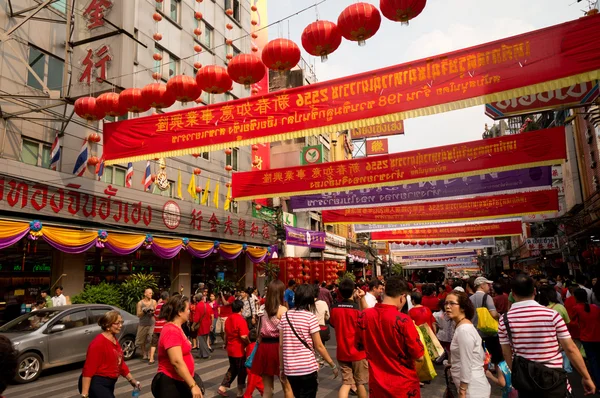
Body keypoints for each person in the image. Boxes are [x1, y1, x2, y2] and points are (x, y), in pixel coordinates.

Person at [499, 274, 596, 396]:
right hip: (553, 378)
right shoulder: (552, 315)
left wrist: (517, 374)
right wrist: (586, 376)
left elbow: (506, 352)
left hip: (525, 382)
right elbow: (570, 348)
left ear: (512, 294)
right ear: (534, 291)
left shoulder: (504, 320)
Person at [357, 276, 424, 398]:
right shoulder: (404, 321)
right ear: (402, 297)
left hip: (377, 385)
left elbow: (359, 343)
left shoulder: (365, 316)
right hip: (403, 386)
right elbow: (419, 356)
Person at [279, 284, 339, 398]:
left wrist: (281, 368)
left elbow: (281, 345)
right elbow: (319, 346)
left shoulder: (285, 316)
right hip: (307, 368)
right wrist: (332, 365)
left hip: (290, 368)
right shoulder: (310, 317)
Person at [151, 295, 202, 398]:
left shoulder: (177, 328)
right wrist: (193, 385)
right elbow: (176, 362)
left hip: (180, 380)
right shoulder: (171, 331)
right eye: (187, 309)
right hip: (171, 383)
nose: (189, 312)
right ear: (179, 312)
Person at [80, 310, 140, 398]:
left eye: (121, 322)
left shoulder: (114, 339)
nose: (120, 325)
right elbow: (88, 369)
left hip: (109, 384)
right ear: (108, 326)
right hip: (98, 383)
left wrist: (132, 380)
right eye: (117, 323)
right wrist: (84, 395)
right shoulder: (98, 343)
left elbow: (120, 363)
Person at [251, 280, 293, 398]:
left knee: (267, 388)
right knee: (286, 386)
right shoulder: (283, 310)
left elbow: (259, 331)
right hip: (278, 347)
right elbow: (287, 333)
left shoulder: (263, 309)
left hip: (264, 347)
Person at [445, 291, 491, 397]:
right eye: (446, 303)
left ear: (462, 307)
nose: (447, 307)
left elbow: (466, 362)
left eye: (452, 303)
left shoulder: (464, 329)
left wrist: (462, 390)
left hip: (472, 388)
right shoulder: (461, 326)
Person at [330, 278, 368, 398]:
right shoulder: (357, 310)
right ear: (354, 291)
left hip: (342, 351)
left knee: (346, 383)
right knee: (360, 383)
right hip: (358, 352)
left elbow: (333, 323)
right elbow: (367, 318)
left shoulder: (334, 309)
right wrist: (362, 298)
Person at [218, 300, 249, 397]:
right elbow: (244, 336)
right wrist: (249, 344)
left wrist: (225, 343)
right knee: (241, 370)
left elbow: (226, 334)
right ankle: (240, 391)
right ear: (241, 309)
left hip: (230, 348)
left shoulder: (228, 319)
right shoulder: (240, 320)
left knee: (233, 368)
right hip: (239, 349)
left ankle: (223, 386)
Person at [571, 288, 600, 389]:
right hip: (598, 337)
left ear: (576, 297)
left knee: (593, 361)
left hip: (586, 338)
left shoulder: (576, 308)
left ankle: (598, 383)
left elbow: (572, 321)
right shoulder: (595, 307)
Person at [469, 277, 502, 365]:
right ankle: (498, 376)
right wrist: (500, 315)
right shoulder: (487, 297)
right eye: (487, 284)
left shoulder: (470, 298)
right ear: (482, 285)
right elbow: (494, 314)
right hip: (489, 332)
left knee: (481, 357)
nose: (489, 286)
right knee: (497, 358)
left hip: (476, 332)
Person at [149, 291, 170, 365]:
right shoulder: (167, 305)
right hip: (164, 326)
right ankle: (166, 357)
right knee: (166, 342)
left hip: (157, 327)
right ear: (167, 297)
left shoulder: (158, 306)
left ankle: (151, 358)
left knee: (154, 343)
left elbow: (155, 315)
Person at [136, 288, 157, 361]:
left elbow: (156, 311)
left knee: (151, 338)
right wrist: (144, 311)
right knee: (142, 340)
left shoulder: (154, 302)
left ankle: (149, 352)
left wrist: (152, 311)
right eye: (149, 293)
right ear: (145, 294)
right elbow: (138, 314)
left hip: (151, 323)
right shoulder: (140, 303)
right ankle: (144, 353)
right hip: (143, 323)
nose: (151, 294)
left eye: (151, 293)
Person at [243, 329, 265, 398]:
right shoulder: (257, 346)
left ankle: (264, 393)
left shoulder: (248, 346)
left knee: (256, 382)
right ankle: (247, 396)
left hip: (249, 368)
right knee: (252, 384)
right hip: (254, 368)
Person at [192, 293, 212, 360]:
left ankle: (206, 354)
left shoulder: (198, 306)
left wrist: (193, 325)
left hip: (202, 324)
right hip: (207, 323)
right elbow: (211, 314)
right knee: (204, 338)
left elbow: (197, 317)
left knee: (201, 339)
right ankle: (200, 354)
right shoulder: (207, 305)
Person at [433, 298, 454, 363]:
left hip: (440, 334)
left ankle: (438, 360)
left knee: (439, 349)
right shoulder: (450, 315)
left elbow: (434, 323)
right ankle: (449, 363)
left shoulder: (436, 314)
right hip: (449, 335)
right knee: (449, 351)